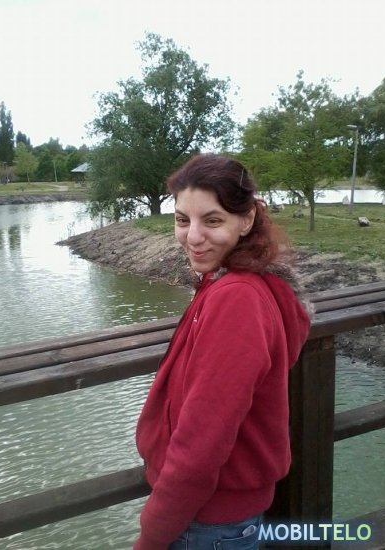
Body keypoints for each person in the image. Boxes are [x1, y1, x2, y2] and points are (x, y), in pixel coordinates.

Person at [133, 153, 311, 550]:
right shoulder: (239, 279)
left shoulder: (237, 297)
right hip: (221, 518)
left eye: (212, 221)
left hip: (206, 524)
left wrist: (151, 535)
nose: (193, 236)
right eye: (182, 220)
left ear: (245, 220)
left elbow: (201, 444)